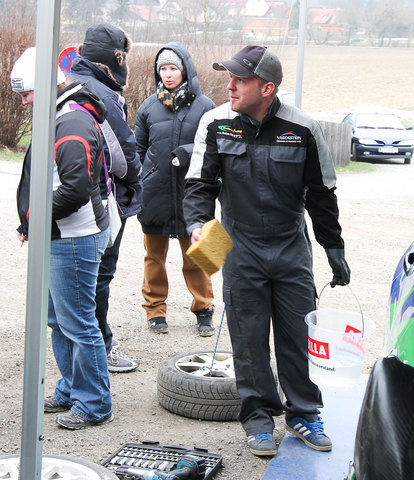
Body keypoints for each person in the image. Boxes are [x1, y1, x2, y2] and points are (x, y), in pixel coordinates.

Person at [183, 45, 351, 457]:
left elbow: (321, 194)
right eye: (230, 77)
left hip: (291, 247)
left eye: (240, 79)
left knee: (298, 335)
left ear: (267, 88)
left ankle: (304, 413)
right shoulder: (215, 123)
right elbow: (200, 185)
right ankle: (258, 419)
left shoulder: (304, 128)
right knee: (249, 339)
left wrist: (333, 248)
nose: (230, 85)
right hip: (238, 247)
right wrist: (199, 227)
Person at [11, 48, 113, 429]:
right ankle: (71, 388)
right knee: (59, 319)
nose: (24, 102)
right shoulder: (57, 115)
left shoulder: (70, 123)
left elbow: (74, 190)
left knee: (79, 322)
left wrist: (34, 216)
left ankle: (95, 403)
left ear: (45, 86)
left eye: (27, 93)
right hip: (59, 235)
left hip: (73, 237)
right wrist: (30, 223)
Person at [67, 23, 143, 372]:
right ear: (115, 58)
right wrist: (137, 177)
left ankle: (84, 348)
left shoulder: (70, 81)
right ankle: (100, 347)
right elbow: (123, 156)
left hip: (77, 195)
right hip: (104, 198)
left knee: (83, 278)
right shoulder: (101, 93)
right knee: (100, 275)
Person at [135, 42, 216, 336]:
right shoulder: (147, 107)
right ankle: (155, 310)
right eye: (163, 69)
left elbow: (215, 148)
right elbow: (137, 151)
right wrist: (142, 180)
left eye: (173, 68)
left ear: (185, 70)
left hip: (192, 194)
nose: (167, 74)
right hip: (154, 194)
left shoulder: (206, 106)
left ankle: (204, 308)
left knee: (199, 254)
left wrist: (187, 152)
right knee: (153, 258)